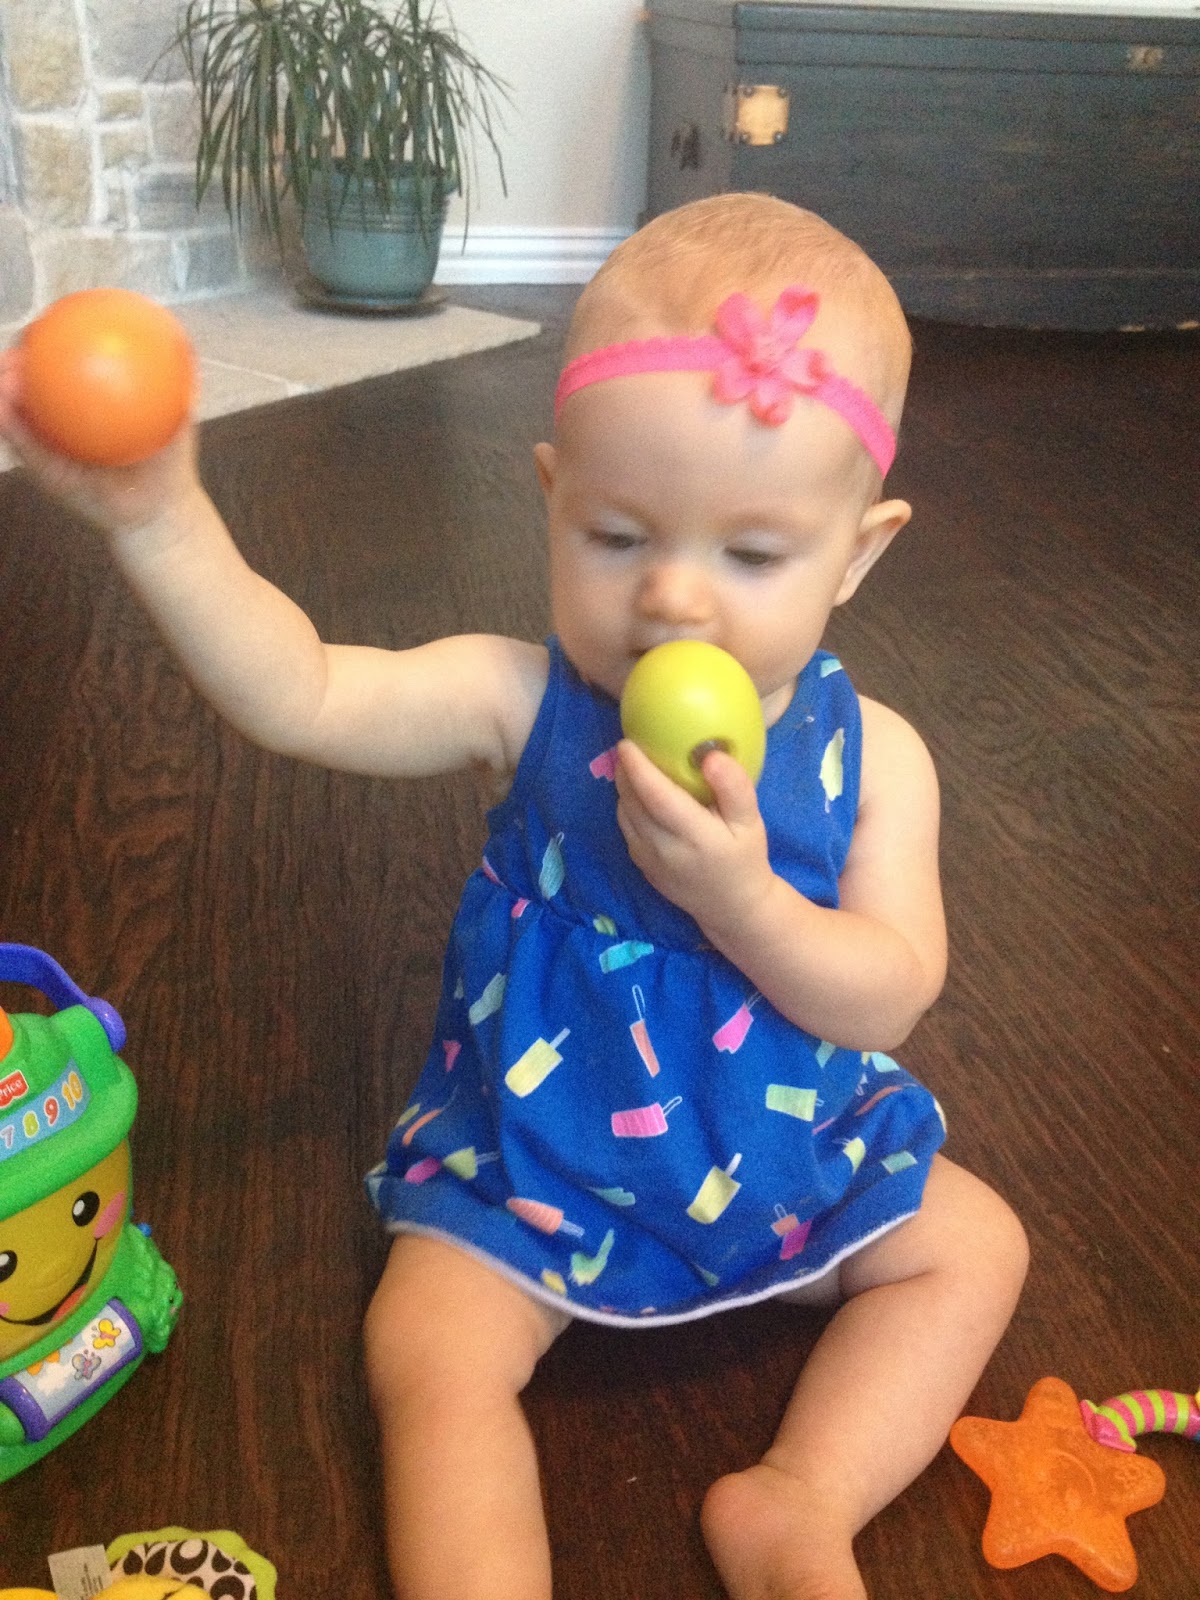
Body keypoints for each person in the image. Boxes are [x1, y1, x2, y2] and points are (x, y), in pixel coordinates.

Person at [0, 194, 1028, 1600]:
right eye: (616, 536)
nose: (674, 601)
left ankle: (801, 1500)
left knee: (974, 1249)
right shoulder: (520, 698)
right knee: (425, 1349)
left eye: (752, 555)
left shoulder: (877, 758)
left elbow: (892, 988)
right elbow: (303, 693)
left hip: (786, 1159)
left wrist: (746, 902)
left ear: (857, 549)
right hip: (538, 1165)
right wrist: (159, 517)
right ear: (550, 498)